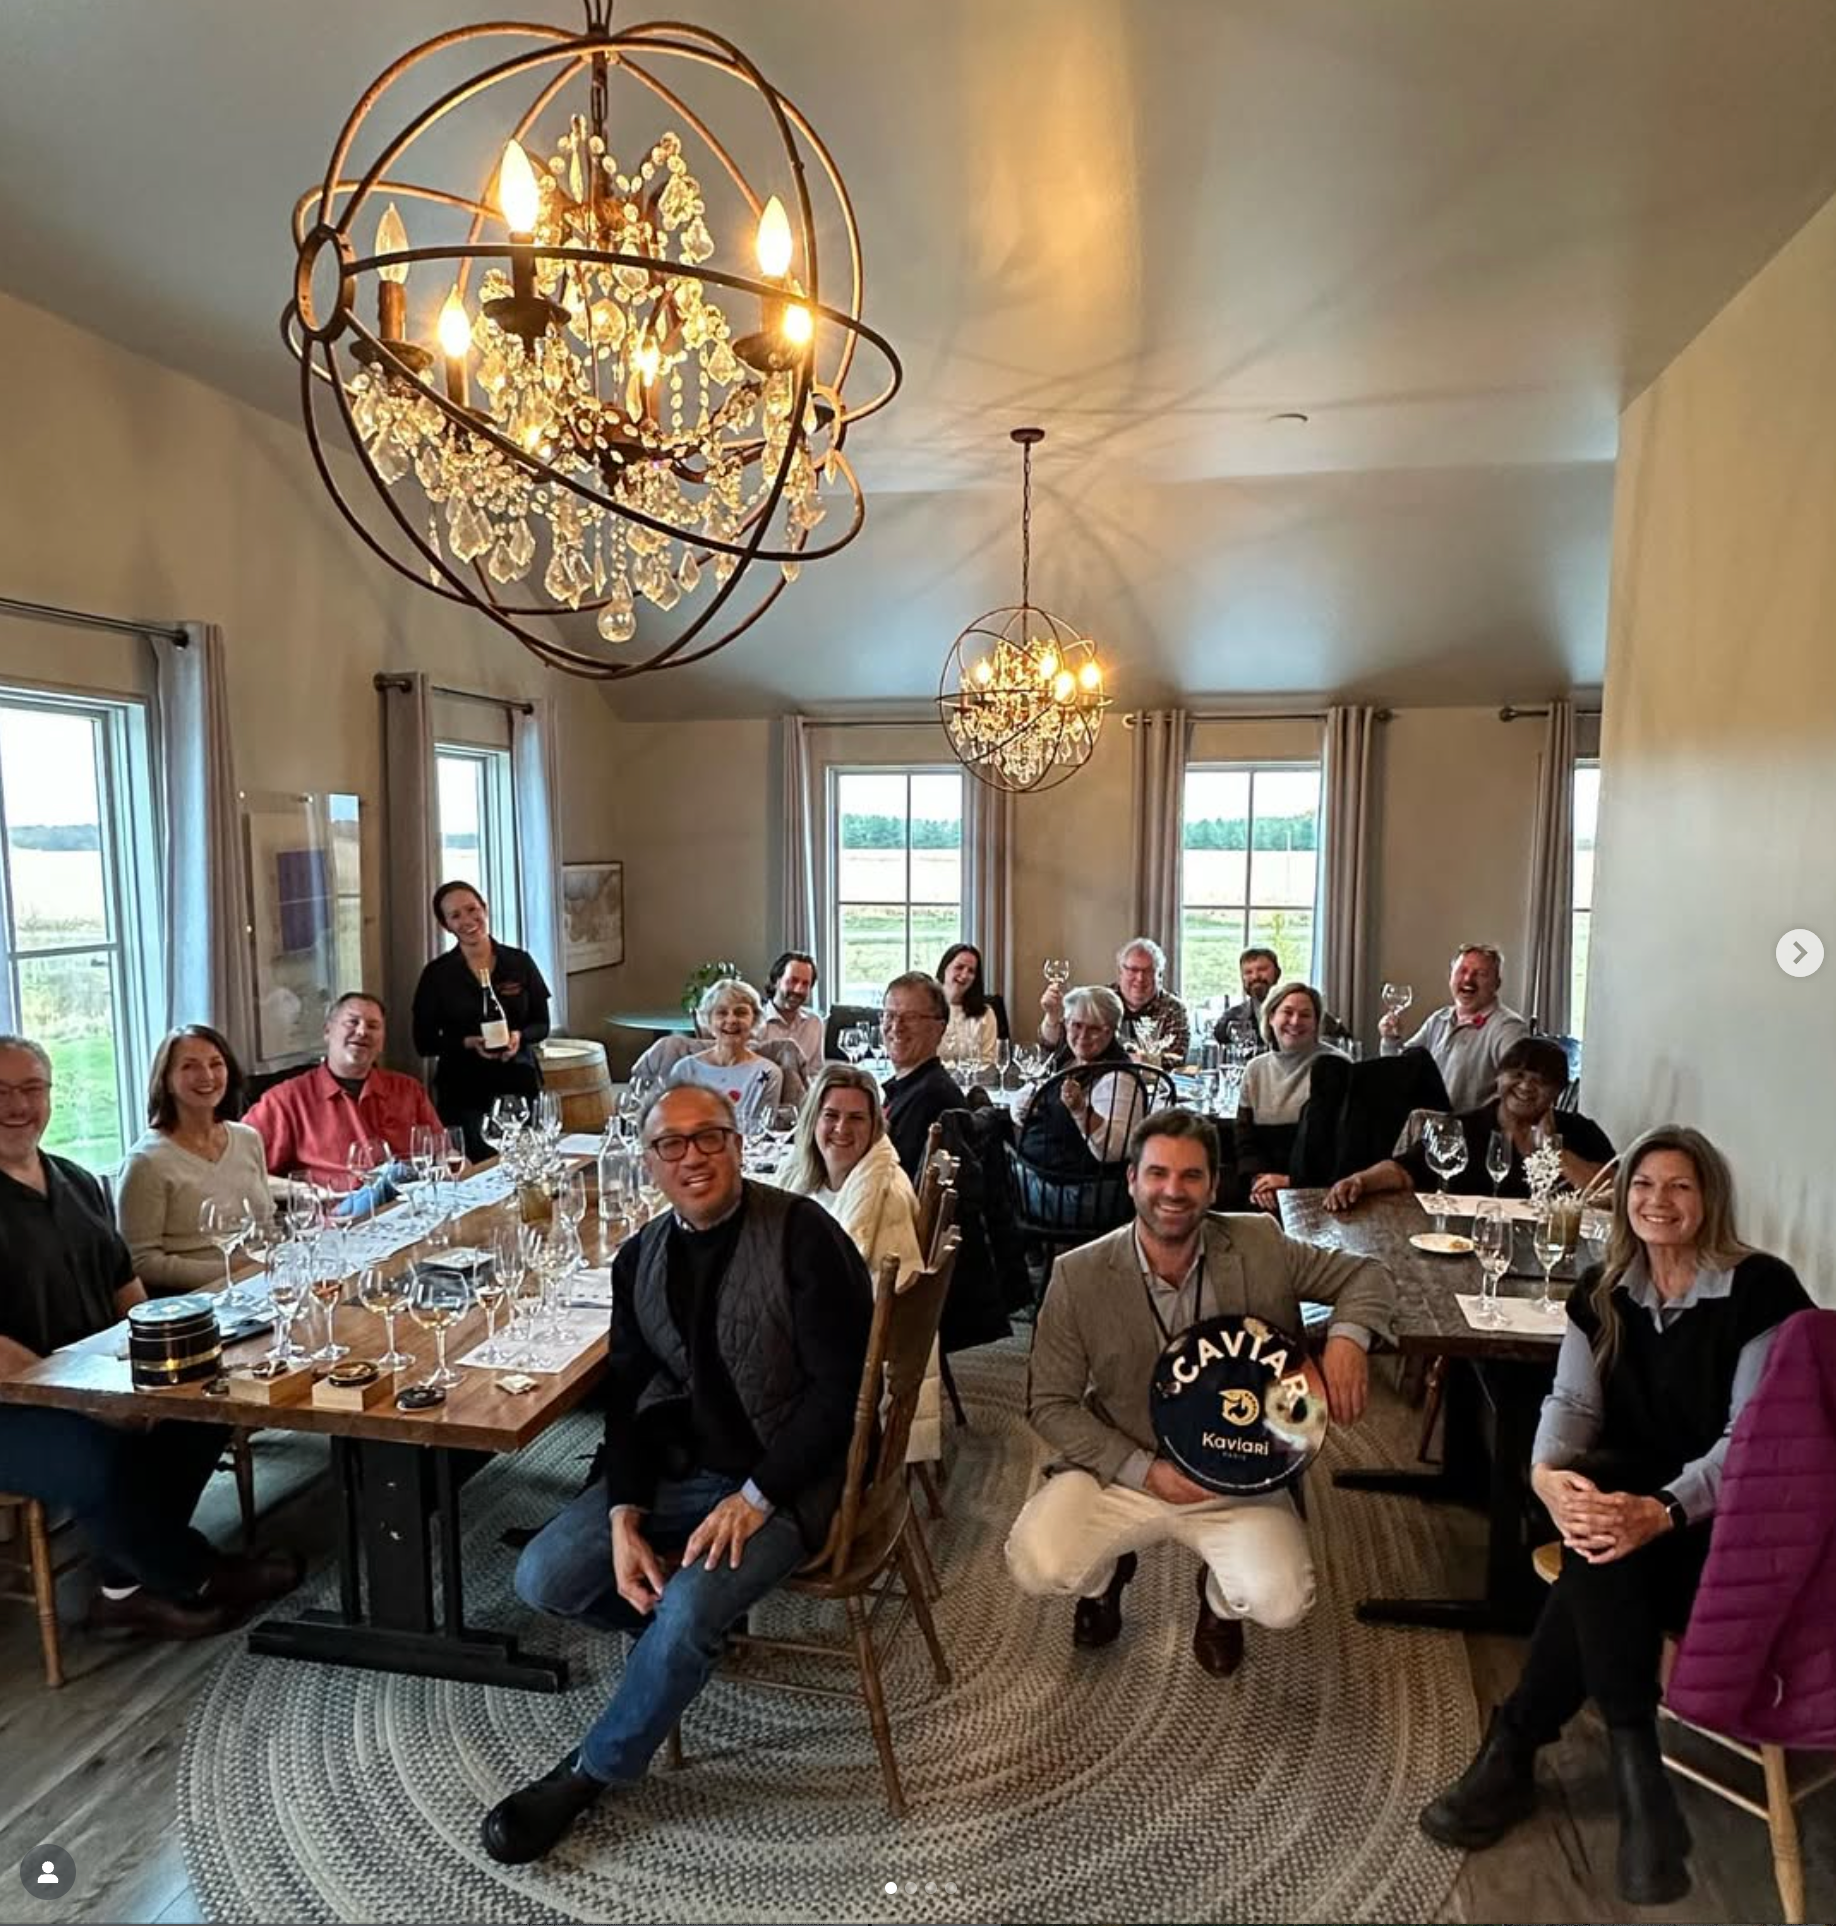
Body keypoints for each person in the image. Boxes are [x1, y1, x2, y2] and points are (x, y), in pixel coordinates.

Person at [1418, 1127, 1811, 1906]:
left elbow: (1753, 1442)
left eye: (1678, 1187)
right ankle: (1639, 1779)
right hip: (1630, 1522)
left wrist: (1663, 1511)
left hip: (1730, 1527)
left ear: (1710, 1201)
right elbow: (1570, 1404)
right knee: (1596, 1515)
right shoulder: (1603, 1291)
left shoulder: (1760, 1290)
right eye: (1642, 1186)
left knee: (1599, 1550)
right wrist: (1546, 1476)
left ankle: (1521, 1743)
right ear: (1621, 1197)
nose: (1657, 1202)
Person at [485, 1086, 872, 1864]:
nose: (693, 1156)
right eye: (672, 1144)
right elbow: (627, 1394)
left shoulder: (804, 1236)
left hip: (788, 1480)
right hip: (671, 1474)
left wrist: (758, 1498)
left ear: (737, 1145)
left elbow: (843, 1395)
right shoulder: (640, 1259)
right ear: (649, 1162)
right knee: (545, 1576)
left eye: (710, 1138)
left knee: (690, 1604)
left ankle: (589, 1773)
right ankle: (685, 1643)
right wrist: (624, 1511)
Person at [1006, 1108, 1393, 1675]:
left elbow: (1367, 1275)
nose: (1173, 1191)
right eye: (1158, 1174)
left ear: (1214, 1184)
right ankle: (1106, 1579)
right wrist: (1144, 1471)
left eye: (1191, 1176)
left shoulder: (1260, 1242)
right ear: (1131, 1179)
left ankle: (1218, 1604)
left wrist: (1346, 1342)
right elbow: (1050, 1403)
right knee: (1036, 1562)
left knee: (1281, 1599)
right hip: (1125, 1463)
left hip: (1241, 1469)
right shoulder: (1078, 1274)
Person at [0, 1035, 301, 1641]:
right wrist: (89, 1397)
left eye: (32, 1088)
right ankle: (195, 1571)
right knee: (97, 1457)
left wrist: (151, 1374)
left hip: (95, 1375)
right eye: (1, 1092)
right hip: (21, 1401)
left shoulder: (75, 1180)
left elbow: (125, 1285)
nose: (18, 1105)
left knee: (207, 1405)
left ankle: (123, 1588)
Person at [775, 1064, 938, 1461]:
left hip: (855, 1359)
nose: (841, 1129)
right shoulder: (821, 1177)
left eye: (856, 1118)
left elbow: (872, 1309)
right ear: (813, 1119)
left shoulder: (884, 1198)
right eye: (831, 1116)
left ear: (875, 1126)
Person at [1325, 1037, 1613, 1211]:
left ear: (1558, 1091)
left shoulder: (1580, 1131)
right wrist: (1360, 1181)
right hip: (1472, 1248)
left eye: (1541, 1082)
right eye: (1518, 1074)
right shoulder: (1464, 1127)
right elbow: (1402, 1170)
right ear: (1499, 1077)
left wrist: (1554, 1151)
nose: (1526, 1086)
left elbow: (1612, 1193)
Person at [116, 1025, 275, 1294]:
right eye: (190, 1066)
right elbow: (139, 1262)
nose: (207, 1076)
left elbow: (267, 1224)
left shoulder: (248, 1138)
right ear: (166, 1079)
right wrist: (231, 1272)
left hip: (259, 1286)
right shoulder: (146, 1162)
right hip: (194, 1303)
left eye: (216, 1064)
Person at [243, 992, 445, 1189]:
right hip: (339, 1217)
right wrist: (301, 1190)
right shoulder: (285, 1100)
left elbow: (441, 1151)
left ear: (382, 1042)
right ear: (327, 1031)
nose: (362, 1031)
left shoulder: (408, 1090)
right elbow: (239, 1170)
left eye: (373, 1026)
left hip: (412, 1209)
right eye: (352, 1022)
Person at [411, 881, 551, 1160]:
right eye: (455, 916)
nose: (467, 920)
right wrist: (466, 1042)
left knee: (528, 1168)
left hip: (520, 1087)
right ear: (445, 925)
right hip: (464, 1094)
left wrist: (518, 1037)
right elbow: (423, 1042)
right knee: (479, 1176)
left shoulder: (519, 962)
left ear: (485, 909)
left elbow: (541, 1024)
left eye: (472, 909)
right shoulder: (437, 975)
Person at [1379, 943, 1529, 1112]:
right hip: (1428, 1126)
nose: (1468, 979)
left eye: (1480, 974)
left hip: (1472, 1132)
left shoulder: (1508, 1027)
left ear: (1497, 984)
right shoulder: (1439, 1019)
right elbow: (1402, 1070)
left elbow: (1522, 1086)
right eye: (1462, 971)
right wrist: (1391, 1039)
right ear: (1451, 977)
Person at [1235, 980, 1341, 1214]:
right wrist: (1258, 1181)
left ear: (1316, 1024)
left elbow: (1341, 1147)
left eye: (1305, 1015)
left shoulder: (1337, 1066)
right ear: (1271, 1017)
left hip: (1321, 1190)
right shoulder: (1255, 1069)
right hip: (1265, 1189)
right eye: (1287, 1012)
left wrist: (1290, 1181)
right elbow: (1245, 1139)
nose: (1295, 1021)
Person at [1016, 986, 1142, 1171]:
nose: (1083, 1036)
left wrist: (1081, 1111)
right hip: (1037, 1171)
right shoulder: (1067, 1059)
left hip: (1075, 1186)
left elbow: (1114, 1150)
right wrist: (1027, 1105)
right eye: (1076, 1025)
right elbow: (1021, 1104)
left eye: (1094, 1029)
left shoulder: (1119, 1078)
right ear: (1066, 1024)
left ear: (1111, 1032)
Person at [1041, 938, 1191, 1066]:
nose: (1140, 978)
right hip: (1098, 1083)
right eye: (1133, 970)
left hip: (1157, 1091)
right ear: (1120, 971)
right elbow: (1054, 1045)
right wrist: (1052, 1016)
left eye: (1148, 971)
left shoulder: (1174, 1009)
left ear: (1159, 975)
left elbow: (1176, 1059)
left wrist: (1119, 1059)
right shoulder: (1100, 1001)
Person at [667, 978, 782, 1124]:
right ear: (708, 1020)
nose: (732, 1020)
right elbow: (674, 1122)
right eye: (721, 1013)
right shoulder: (684, 1070)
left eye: (740, 1013)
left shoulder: (768, 1073)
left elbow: (761, 1130)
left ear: (754, 1020)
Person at [880, 971, 960, 1183]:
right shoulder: (909, 1086)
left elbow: (897, 1182)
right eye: (889, 1015)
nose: (896, 1027)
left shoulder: (931, 1098)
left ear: (939, 1028)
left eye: (911, 1017)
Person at [756, 951, 822, 1080]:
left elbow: (815, 1072)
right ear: (776, 981)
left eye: (805, 984)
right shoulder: (754, 1021)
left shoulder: (814, 1023)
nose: (798, 990)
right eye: (793, 981)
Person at [937, 942, 999, 1066]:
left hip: (972, 1083)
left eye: (971, 971)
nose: (964, 975)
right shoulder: (924, 1007)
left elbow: (988, 1061)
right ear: (945, 968)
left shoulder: (986, 1013)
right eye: (959, 967)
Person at [1213, 947, 1282, 1055]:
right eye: (1248, 972)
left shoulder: (1294, 1015)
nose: (1255, 976)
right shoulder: (1232, 1017)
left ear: (1277, 973)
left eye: (1262, 969)